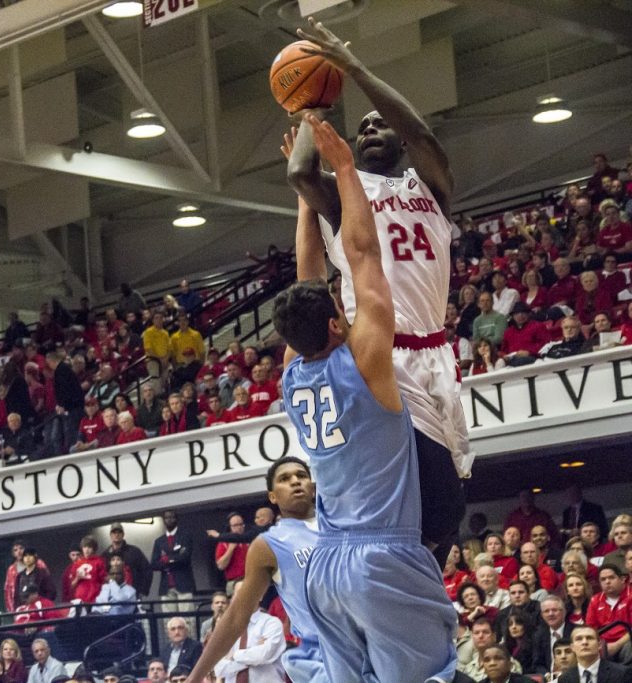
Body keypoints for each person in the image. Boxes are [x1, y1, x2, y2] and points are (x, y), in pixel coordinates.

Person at [276, 113, 456, 682]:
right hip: (384, 556)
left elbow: (310, 272)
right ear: (336, 324)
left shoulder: (290, 375)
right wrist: (345, 168)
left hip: (327, 566)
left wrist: (307, 199)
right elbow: (363, 255)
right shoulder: (368, 362)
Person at [285, 17, 468, 570]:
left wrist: (357, 70)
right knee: (436, 502)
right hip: (380, 351)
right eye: (359, 127)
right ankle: (386, 576)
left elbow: (424, 137)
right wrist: (309, 106)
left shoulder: (430, 186)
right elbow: (299, 175)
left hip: (436, 351)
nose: (369, 129)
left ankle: (416, 584)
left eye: (377, 124)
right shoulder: (347, 197)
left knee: (448, 503)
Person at [188, 457, 325, 683]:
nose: (295, 481)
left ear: (312, 486)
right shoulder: (269, 544)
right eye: (284, 478)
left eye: (301, 476)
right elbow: (235, 618)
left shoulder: (343, 523)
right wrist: (194, 678)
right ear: (273, 496)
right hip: (324, 658)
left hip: (373, 647)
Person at [211, 583, 285, 683]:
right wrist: (252, 657)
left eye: (248, 591)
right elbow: (219, 669)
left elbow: (264, 654)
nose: (243, 596)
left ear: (260, 596)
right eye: (239, 593)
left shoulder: (272, 623)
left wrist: (233, 656)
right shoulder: (226, 628)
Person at [586, 564, 632, 664]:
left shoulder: (631, 596)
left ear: (622, 579)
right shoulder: (595, 600)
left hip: (626, 640)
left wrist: (616, 645)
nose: (607, 582)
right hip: (603, 643)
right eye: (603, 579)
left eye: (611, 577)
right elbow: (591, 629)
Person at [151, 510, 196, 613]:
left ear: (176, 519)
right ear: (163, 520)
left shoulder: (185, 536)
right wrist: (175, 558)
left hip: (184, 584)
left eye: (172, 517)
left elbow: (185, 557)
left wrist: (168, 559)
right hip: (166, 586)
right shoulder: (159, 541)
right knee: (169, 621)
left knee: (187, 619)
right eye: (167, 518)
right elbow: (154, 564)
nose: (169, 520)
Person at [557, 625, 632, 682]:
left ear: (599, 645)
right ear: (572, 647)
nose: (584, 642)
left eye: (589, 638)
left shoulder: (622, 673)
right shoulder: (564, 679)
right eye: (579, 639)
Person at [102, 522, 153, 597]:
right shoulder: (105, 555)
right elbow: (101, 575)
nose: (116, 534)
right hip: (111, 595)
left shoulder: (134, 551)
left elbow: (147, 570)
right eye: (114, 532)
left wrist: (142, 590)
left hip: (133, 593)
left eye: (119, 532)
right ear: (110, 535)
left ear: (123, 534)